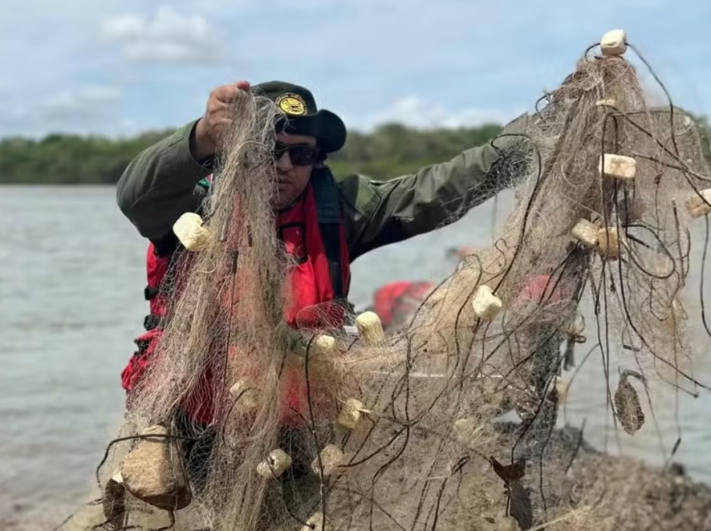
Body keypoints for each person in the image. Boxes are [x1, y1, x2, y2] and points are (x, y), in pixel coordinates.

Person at [114, 80, 529, 504]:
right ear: (233, 150)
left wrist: (529, 141)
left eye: (301, 154)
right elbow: (135, 196)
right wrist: (202, 134)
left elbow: (433, 190)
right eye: (266, 149)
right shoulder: (193, 204)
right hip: (200, 421)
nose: (283, 165)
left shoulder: (337, 209)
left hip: (299, 426)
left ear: (316, 158)